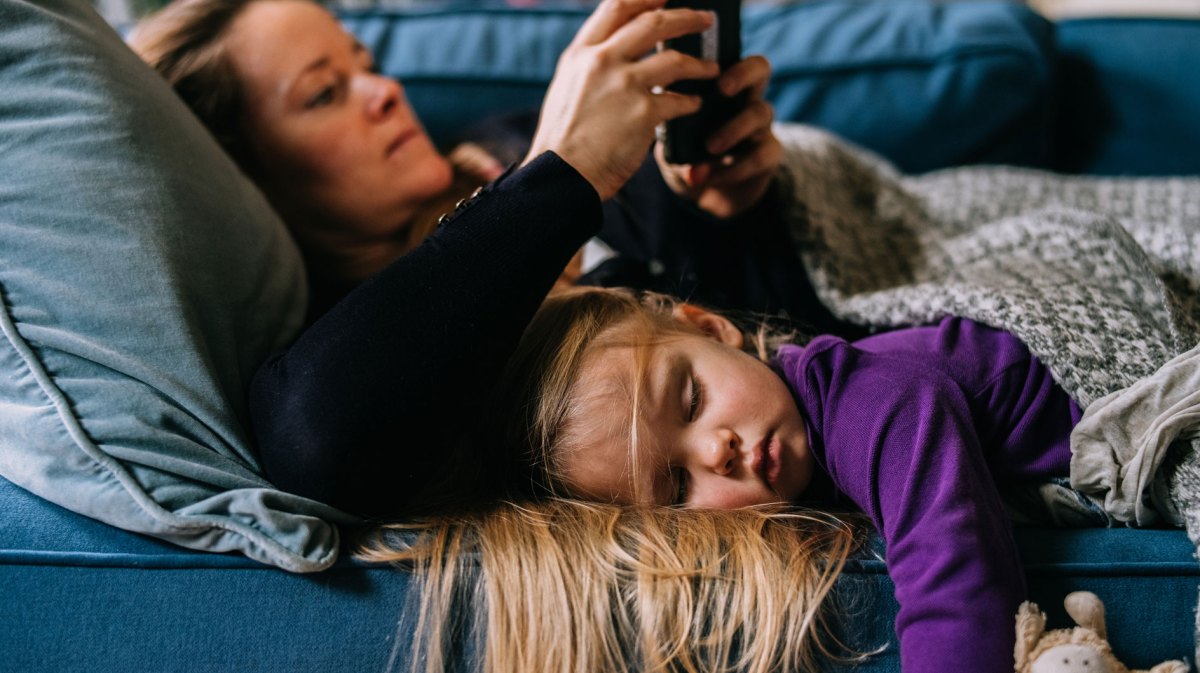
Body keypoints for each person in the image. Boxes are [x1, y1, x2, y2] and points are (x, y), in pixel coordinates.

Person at [129, 0, 861, 518]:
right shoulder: (357, 353)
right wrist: (561, 168)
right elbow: (315, 447)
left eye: (366, 63)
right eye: (324, 93)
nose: (384, 91)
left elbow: (755, 349)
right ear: (242, 173)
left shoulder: (501, 141)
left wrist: (728, 207)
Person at [479, 285, 1084, 673]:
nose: (718, 451)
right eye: (677, 487)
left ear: (712, 329)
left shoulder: (876, 403)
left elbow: (953, 570)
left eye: (691, 401)